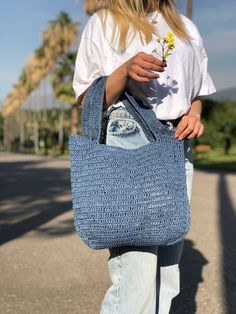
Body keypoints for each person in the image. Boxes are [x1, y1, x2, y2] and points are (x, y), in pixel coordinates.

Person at [73, 1, 216, 313]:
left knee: (167, 272)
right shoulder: (105, 22)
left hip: (175, 141)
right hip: (127, 135)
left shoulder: (184, 27)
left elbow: (196, 92)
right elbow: (87, 99)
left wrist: (194, 113)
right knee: (136, 277)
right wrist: (124, 72)